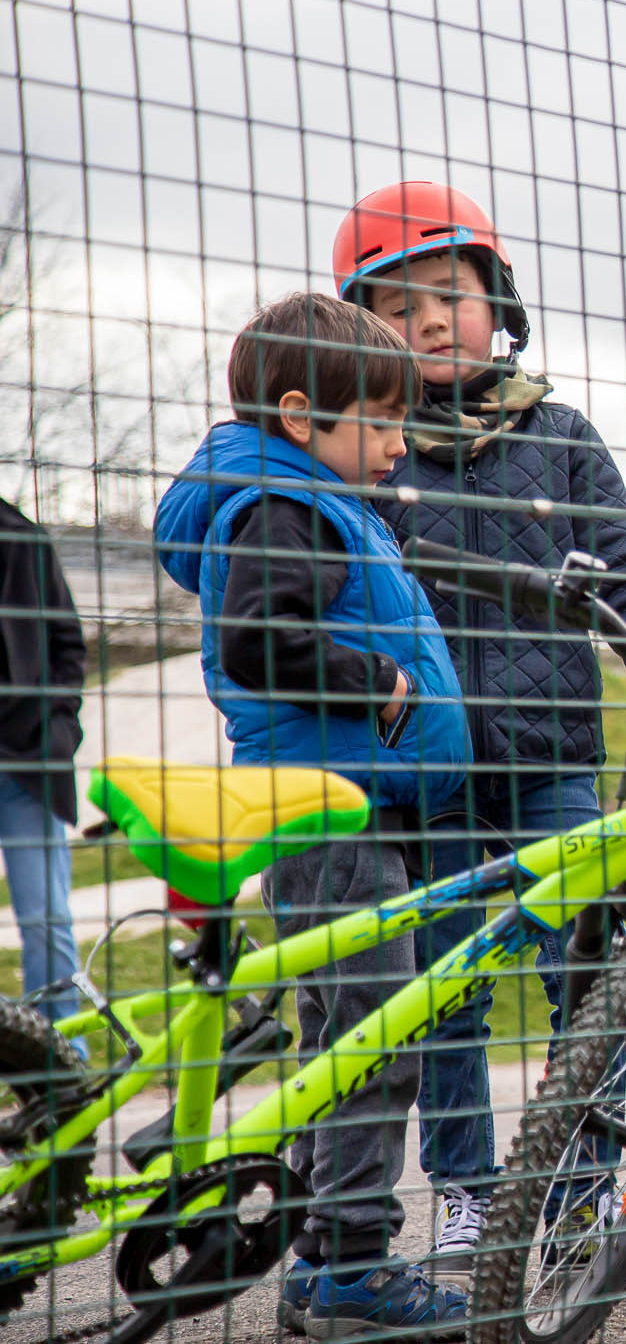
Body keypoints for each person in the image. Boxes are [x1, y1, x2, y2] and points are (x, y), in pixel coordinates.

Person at [331, 181, 626, 1279]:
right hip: (429, 767)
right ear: (366, 335)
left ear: (497, 301)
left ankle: (585, 1186)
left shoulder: (560, 434)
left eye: (448, 295)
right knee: (447, 985)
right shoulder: (373, 453)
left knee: (581, 974)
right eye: (397, 309)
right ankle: (466, 1192)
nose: (429, 323)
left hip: (553, 752)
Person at [154, 293, 471, 1334]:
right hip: (326, 818)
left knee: (348, 1034)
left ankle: (322, 1255)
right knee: (374, 1039)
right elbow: (257, 638)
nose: (396, 445)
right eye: (379, 423)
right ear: (299, 415)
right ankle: (347, 1270)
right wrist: (377, 684)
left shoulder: (307, 501)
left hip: (350, 810)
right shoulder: (281, 507)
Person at [0, 497, 87, 1035]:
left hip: (26, 761)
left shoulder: (22, 537)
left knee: (47, 921)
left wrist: (57, 732)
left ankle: (61, 1068)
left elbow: (67, 643)